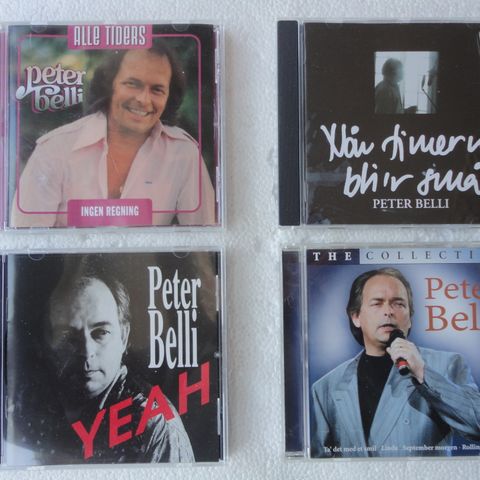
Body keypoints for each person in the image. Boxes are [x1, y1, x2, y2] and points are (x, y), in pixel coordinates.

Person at [7, 260, 194, 464]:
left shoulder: (156, 425)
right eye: (68, 336)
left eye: (101, 333)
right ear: (47, 341)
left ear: (123, 337)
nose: (87, 352)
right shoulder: (31, 407)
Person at [11, 40, 215, 227]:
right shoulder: (54, 149)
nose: (144, 99)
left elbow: (204, 243)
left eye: (157, 90)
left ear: (169, 96)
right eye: (132, 84)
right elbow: (25, 245)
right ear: (109, 85)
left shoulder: (184, 154)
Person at [311, 268, 480, 457]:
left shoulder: (448, 364)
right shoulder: (326, 387)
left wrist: (423, 373)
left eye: (398, 304)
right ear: (356, 317)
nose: (389, 312)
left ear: (410, 318)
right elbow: (320, 464)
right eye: (377, 303)